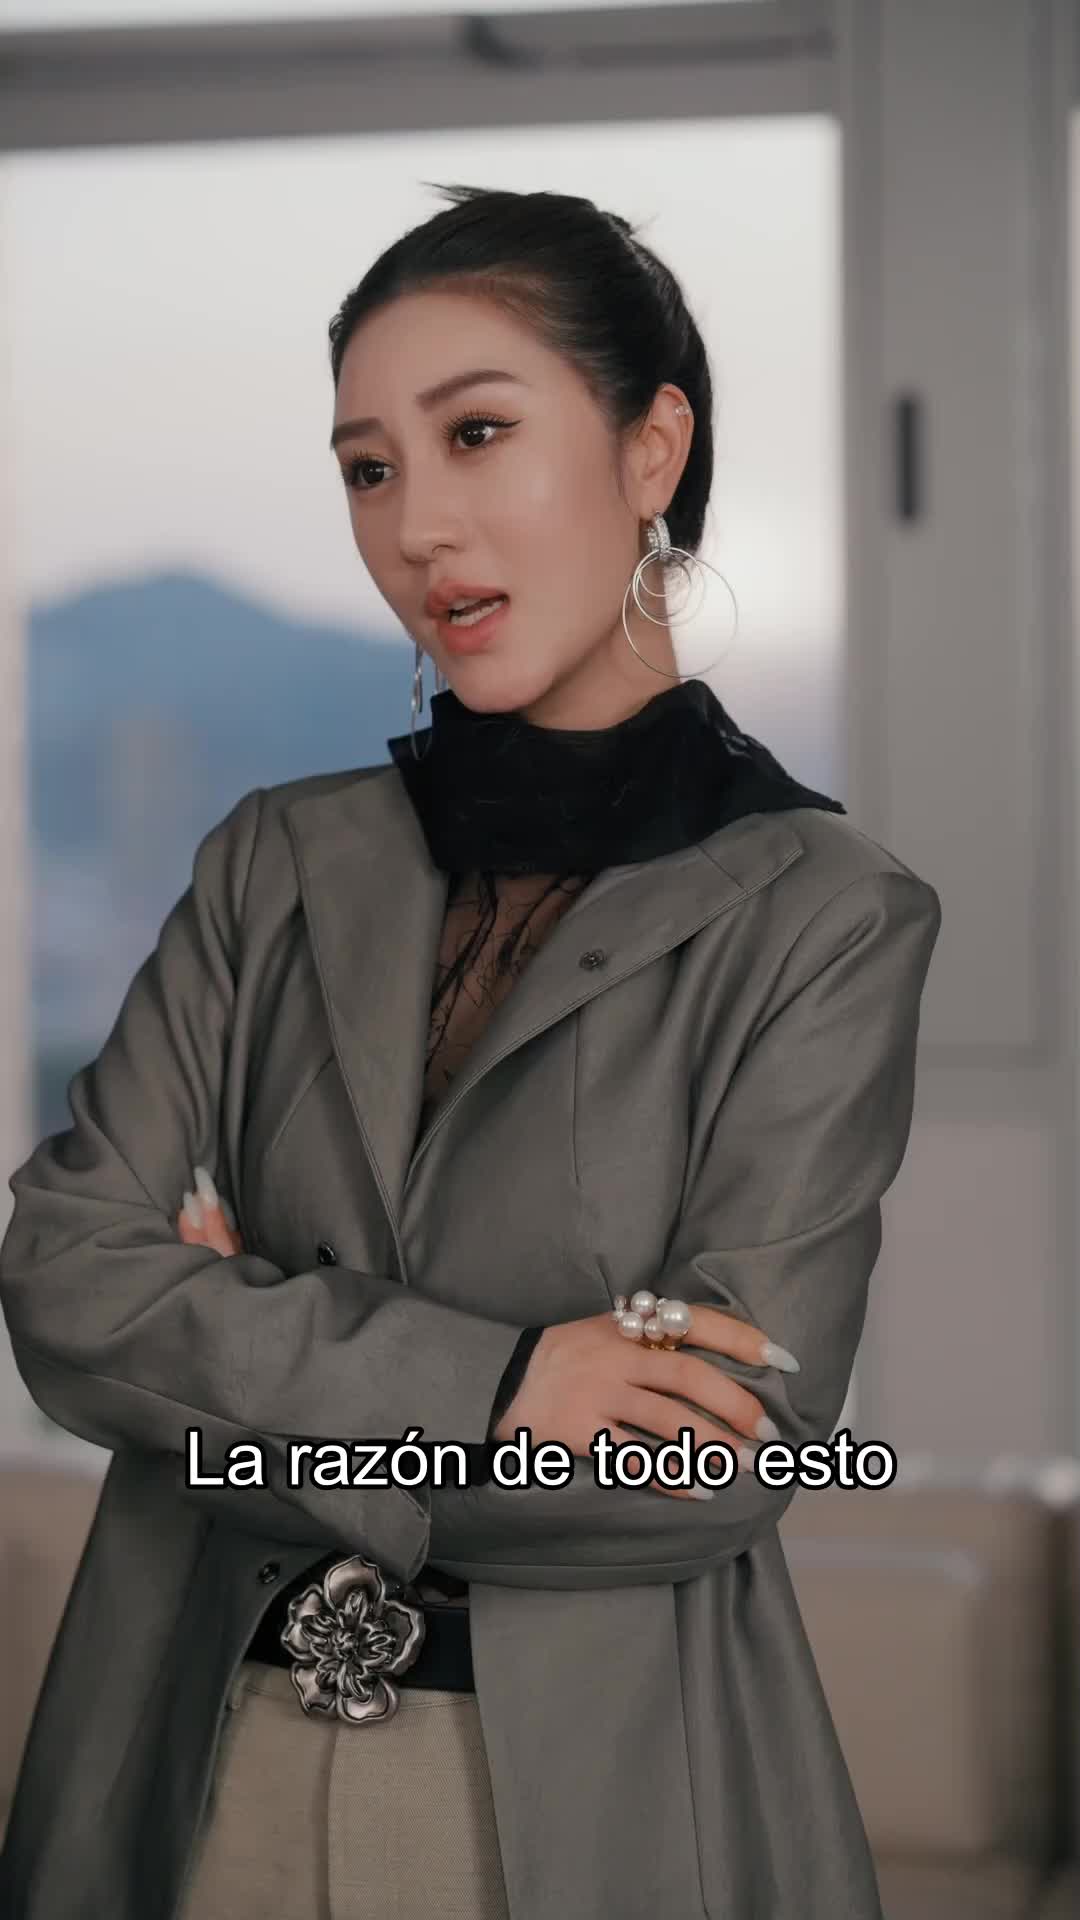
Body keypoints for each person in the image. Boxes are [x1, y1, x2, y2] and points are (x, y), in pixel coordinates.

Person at [0, 184, 942, 1920]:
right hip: (189, 1765)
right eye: (368, 468)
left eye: (478, 433)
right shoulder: (275, 861)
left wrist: (225, 1358)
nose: (418, 526)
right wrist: (504, 1386)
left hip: (580, 1807)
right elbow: (63, 1279)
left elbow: (705, 1470)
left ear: (653, 447)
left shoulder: (827, 915)